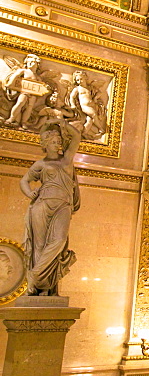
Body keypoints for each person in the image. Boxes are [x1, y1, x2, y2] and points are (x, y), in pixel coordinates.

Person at [19, 117, 81, 295]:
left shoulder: (66, 160)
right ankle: (41, 287)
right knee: (39, 246)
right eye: (53, 142)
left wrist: (63, 124)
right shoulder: (41, 164)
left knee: (59, 241)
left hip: (63, 206)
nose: (57, 144)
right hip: (42, 204)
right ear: (45, 144)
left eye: (59, 141)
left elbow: (76, 137)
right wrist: (30, 193)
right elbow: (24, 181)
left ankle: (35, 275)